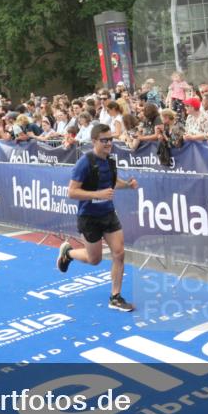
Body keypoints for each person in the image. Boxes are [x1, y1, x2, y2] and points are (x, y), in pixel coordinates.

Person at [56, 124, 137, 313]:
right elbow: (72, 192)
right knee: (95, 259)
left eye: (110, 139)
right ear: (94, 141)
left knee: (119, 253)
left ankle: (115, 297)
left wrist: (128, 185)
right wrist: (98, 194)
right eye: (104, 140)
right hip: (89, 217)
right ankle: (68, 254)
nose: (109, 143)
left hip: (108, 214)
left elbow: (112, 181)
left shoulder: (110, 161)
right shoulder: (84, 162)